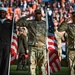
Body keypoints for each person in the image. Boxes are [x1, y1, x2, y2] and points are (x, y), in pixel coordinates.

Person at [28, 4, 47, 75]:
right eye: (36, 14)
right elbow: (19, 22)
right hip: (32, 47)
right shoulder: (30, 23)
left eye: (39, 14)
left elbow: (50, 35)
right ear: (34, 14)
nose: (38, 15)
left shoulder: (45, 24)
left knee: (42, 67)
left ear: (41, 15)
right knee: (32, 66)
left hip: (42, 47)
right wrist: (29, 15)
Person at [57, 11, 75, 75]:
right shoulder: (68, 26)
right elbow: (59, 29)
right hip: (71, 50)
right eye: (74, 17)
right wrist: (65, 22)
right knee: (71, 67)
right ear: (72, 17)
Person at [0, 7, 12, 75]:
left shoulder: (10, 22)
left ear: (6, 13)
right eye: (1, 12)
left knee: (6, 60)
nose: (2, 14)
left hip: (7, 44)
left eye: (3, 12)